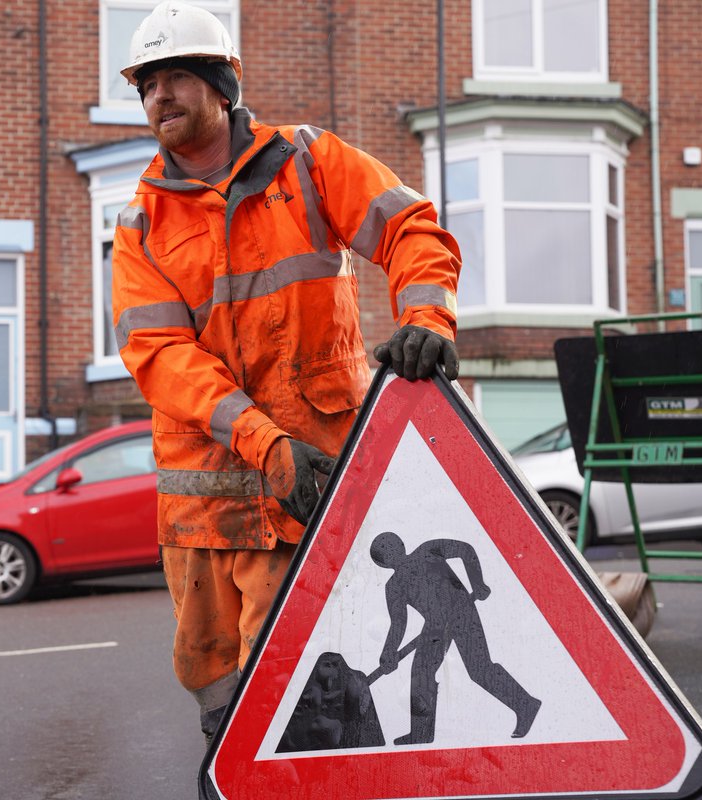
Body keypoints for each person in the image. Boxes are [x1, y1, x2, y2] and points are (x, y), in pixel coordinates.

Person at [111, 1, 462, 744]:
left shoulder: (306, 162)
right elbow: (162, 357)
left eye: (175, 76)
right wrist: (265, 445)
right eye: (146, 84)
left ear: (222, 81)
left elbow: (409, 226)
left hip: (314, 488)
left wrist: (426, 319)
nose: (158, 97)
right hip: (207, 508)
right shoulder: (140, 222)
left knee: (319, 684)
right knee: (221, 690)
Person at [370, 531, 541, 744]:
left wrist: (477, 582)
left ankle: (526, 705)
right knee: (420, 675)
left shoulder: (428, 550)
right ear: (383, 564)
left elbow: (465, 550)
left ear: (401, 544)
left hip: (462, 611)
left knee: (479, 669)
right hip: (434, 627)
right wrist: (388, 652)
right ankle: (421, 733)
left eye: (391, 547)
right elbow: (398, 623)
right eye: (385, 553)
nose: (391, 553)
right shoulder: (394, 586)